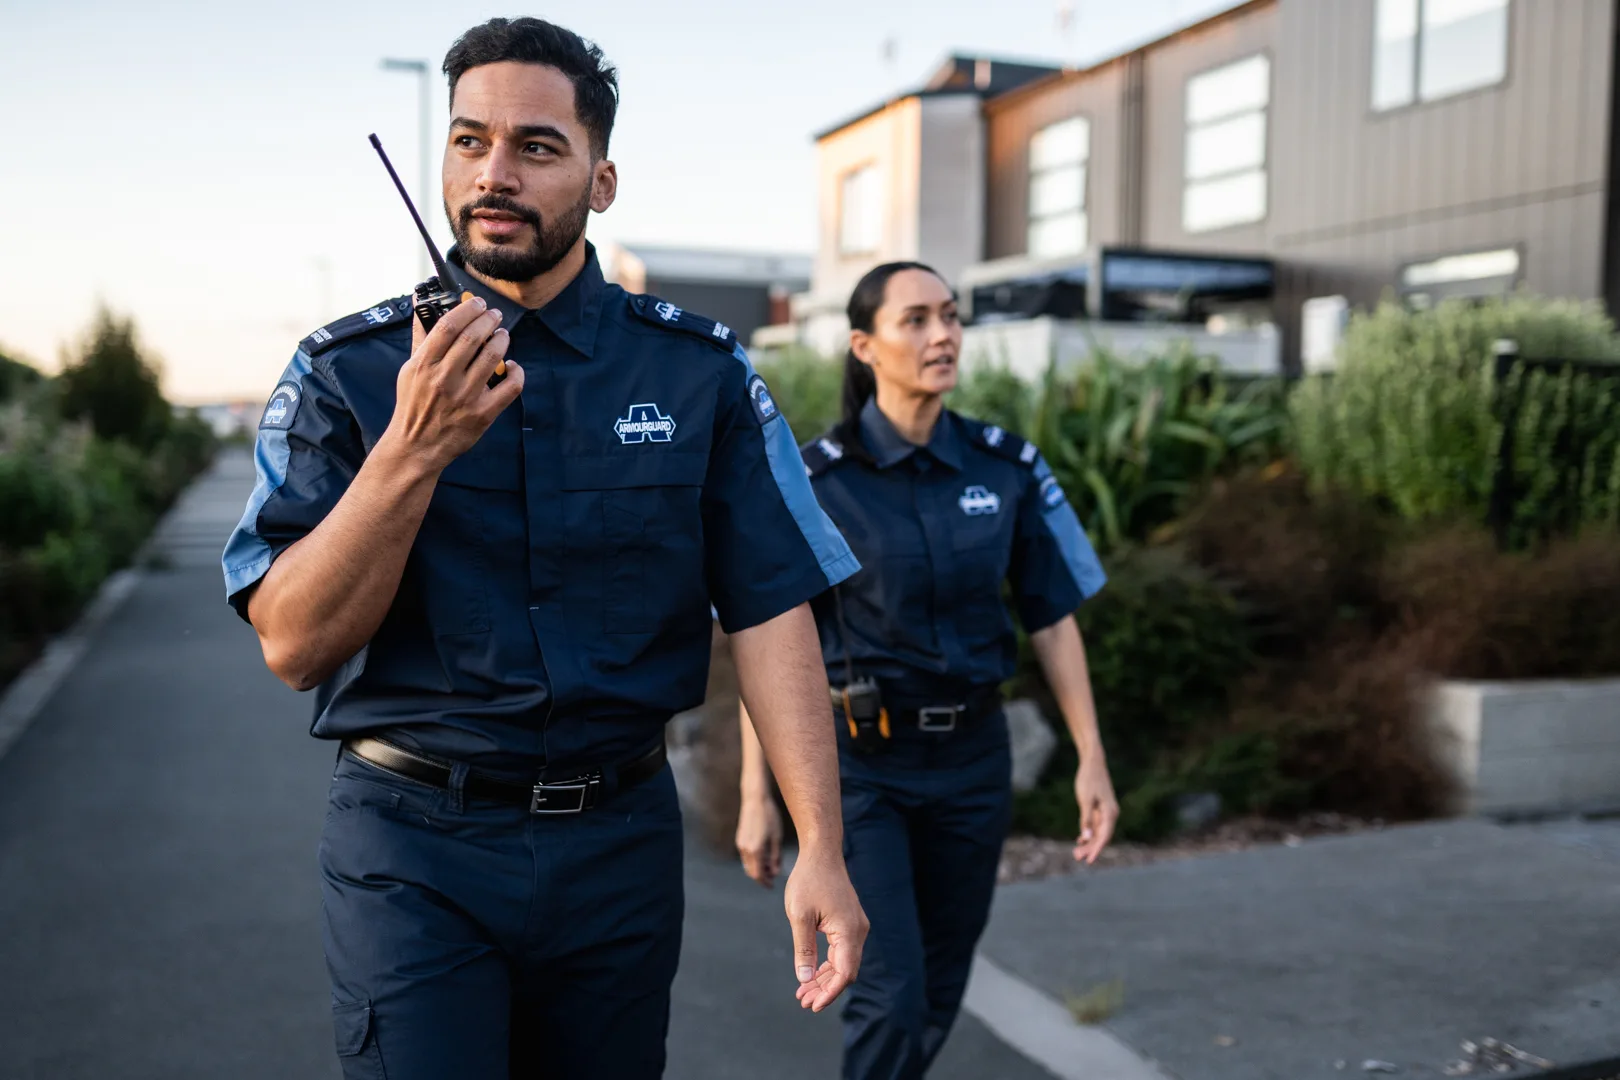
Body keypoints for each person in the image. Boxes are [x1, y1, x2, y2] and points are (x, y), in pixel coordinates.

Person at [222, 18, 866, 1079]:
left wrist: (822, 850)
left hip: (619, 844)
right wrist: (412, 449)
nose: (495, 174)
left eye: (536, 146)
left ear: (600, 181)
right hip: (411, 848)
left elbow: (769, 606)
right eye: (469, 142)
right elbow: (292, 645)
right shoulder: (349, 372)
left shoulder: (697, 373)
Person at [735, 261, 1119, 1079]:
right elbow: (773, 638)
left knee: (941, 986)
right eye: (916, 320)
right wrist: (756, 794)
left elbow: (1052, 619)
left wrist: (1091, 756)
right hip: (861, 768)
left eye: (950, 316)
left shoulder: (1005, 467)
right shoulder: (815, 477)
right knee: (890, 992)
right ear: (864, 346)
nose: (942, 335)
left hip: (974, 763)